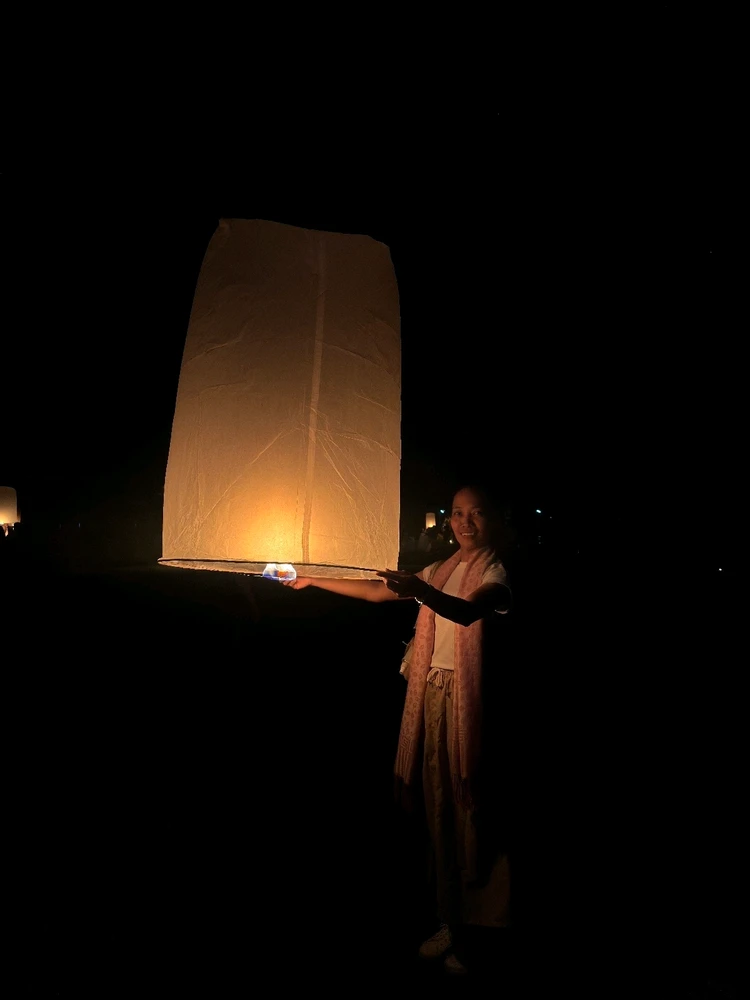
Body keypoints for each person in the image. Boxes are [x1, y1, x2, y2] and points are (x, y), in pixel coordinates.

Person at [283, 485, 513, 975]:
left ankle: (483, 928)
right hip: (432, 693)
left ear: (494, 518)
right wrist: (310, 578)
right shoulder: (443, 568)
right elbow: (374, 590)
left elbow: (472, 611)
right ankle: (453, 918)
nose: (465, 522)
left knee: (471, 805)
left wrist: (423, 592)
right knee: (438, 806)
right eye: (457, 513)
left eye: (476, 513)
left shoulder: (496, 569)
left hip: (469, 705)